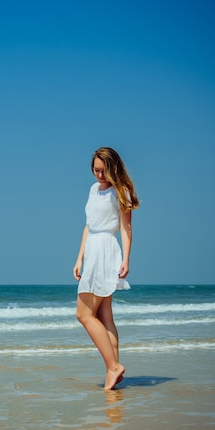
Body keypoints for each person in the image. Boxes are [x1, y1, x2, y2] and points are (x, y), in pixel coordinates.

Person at [73, 147, 139, 390]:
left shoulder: (121, 191)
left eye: (103, 171)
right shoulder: (93, 189)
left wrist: (126, 260)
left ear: (113, 168)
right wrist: (79, 258)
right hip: (91, 251)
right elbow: (88, 226)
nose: (99, 175)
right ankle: (114, 370)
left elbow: (126, 229)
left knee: (83, 314)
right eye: (95, 170)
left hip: (106, 251)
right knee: (104, 315)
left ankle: (113, 367)